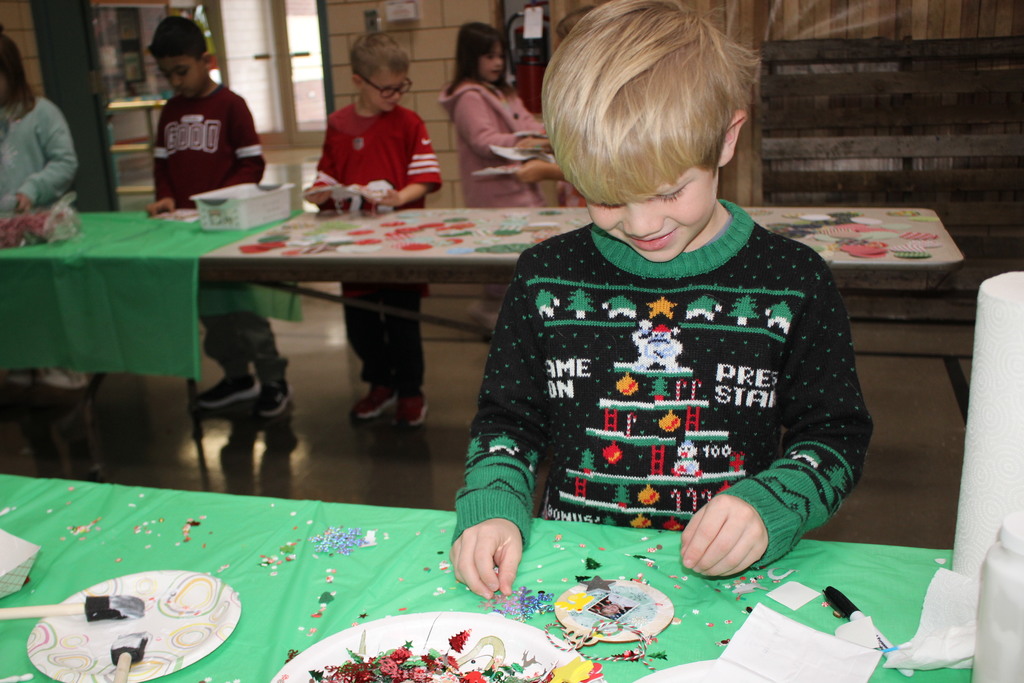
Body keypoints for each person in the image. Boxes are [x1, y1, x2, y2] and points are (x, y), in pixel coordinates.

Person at [450, 0, 873, 599]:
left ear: (726, 139)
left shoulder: (794, 280)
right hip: (569, 571)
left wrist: (773, 505)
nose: (643, 223)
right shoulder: (544, 276)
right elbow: (507, 421)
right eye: (606, 197)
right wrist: (493, 504)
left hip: (728, 584)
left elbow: (834, 434)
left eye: (670, 191)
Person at [146, 16, 291, 418]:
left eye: (182, 71)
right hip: (188, 233)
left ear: (205, 61)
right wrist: (165, 198)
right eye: (167, 74)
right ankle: (236, 377)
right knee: (212, 312)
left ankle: (273, 379)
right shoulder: (170, 111)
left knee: (246, 312)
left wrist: (221, 201)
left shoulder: (232, 106)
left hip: (228, 229)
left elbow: (252, 165)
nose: (176, 81)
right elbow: (162, 165)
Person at [305, 32, 441, 428]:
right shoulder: (338, 124)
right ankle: (381, 383)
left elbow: (425, 178)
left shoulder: (409, 123)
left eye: (402, 86)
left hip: (400, 242)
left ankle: (411, 390)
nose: (395, 95)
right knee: (360, 325)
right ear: (358, 81)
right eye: (386, 88)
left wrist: (401, 197)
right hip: (354, 244)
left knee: (402, 322)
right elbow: (327, 178)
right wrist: (320, 193)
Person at [438, 22, 563, 331]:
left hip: (521, 187)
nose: (497, 63)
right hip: (494, 194)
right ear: (471, 58)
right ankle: (494, 311)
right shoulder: (469, 97)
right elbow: (484, 141)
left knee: (525, 252)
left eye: (500, 56)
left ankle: (513, 312)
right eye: (488, 56)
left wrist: (546, 136)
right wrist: (526, 143)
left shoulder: (503, 91)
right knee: (504, 255)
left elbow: (526, 124)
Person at [0, 24, 85, 392]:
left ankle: (60, 365)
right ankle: (22, 362)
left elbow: (65, 162)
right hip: (3, 233)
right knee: (11, 301)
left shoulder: (42, 113)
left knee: (46, 299)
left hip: (40, 229)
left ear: (11, 73)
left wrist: (32, 188)